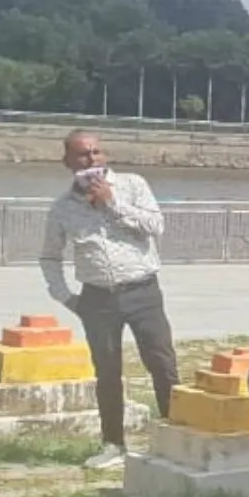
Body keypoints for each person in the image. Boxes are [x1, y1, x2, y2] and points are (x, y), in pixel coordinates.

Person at [38, 130, 180, 471]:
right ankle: (113, 444)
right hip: (97, 298)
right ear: (68, 162)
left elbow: (155, 226)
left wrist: (112, 203)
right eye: (83, 155)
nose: (92, 160)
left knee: (162, 363)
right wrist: (66, 296)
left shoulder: (133, 184)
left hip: (142, 290)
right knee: (108, 372)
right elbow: (50, 257)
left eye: (97, 153)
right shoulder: (62, 209)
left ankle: (177, 438)